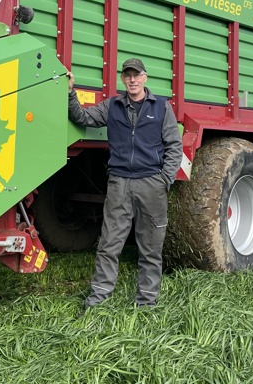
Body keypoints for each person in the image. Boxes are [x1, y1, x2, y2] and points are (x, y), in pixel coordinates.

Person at [67, 58, 182, 314]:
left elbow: (175, 145)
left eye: (136, 75)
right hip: (119, 183)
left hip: (152, 184)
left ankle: (146, 302)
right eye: (127, 75)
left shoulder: (161, 107)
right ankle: (98, 299)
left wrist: (165, 179)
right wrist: (70, 93)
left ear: (145, 77)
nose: (132, 79)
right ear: (122, 79)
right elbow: (83, 117)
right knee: (109, 243)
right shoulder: (112, 106)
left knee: (150, 246)